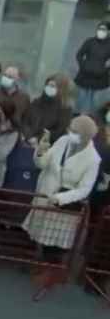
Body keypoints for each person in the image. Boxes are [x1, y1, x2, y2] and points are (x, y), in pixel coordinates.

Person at [24, 115, 101, 269]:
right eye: (70, 129)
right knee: (38, 236)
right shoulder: (63, 141)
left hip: (64, 207)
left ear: (85, 136)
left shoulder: (93, 159)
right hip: (44, 197)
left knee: (55, 246)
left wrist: (61, 198)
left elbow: (85, 189)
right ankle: (39, 266)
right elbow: (42, 164)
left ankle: (50, 272)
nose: (69, 132)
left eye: (74, 131)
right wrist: (41, 151)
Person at [23, 74, 72, 144]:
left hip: (45, 144)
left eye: (52, 86)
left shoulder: (65, 109)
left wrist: (38, 138)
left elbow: (59, 132)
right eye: (48, 85)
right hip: (26, 139)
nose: (49, 88)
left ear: (61, 89)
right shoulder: (36, 102)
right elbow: (25, 121)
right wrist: (28, 136)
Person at [74, 21, 110, 115]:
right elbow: (79, 54)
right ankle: (76, 115)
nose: (100, 31)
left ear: (108, 31)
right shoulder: (90, 41)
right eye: (99, 28)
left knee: (94, 101)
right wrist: (83, 65)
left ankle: (90, 117)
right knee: (80, 98)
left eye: (103, 29)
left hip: (99, 78)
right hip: (85, 75)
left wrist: (104, 69)